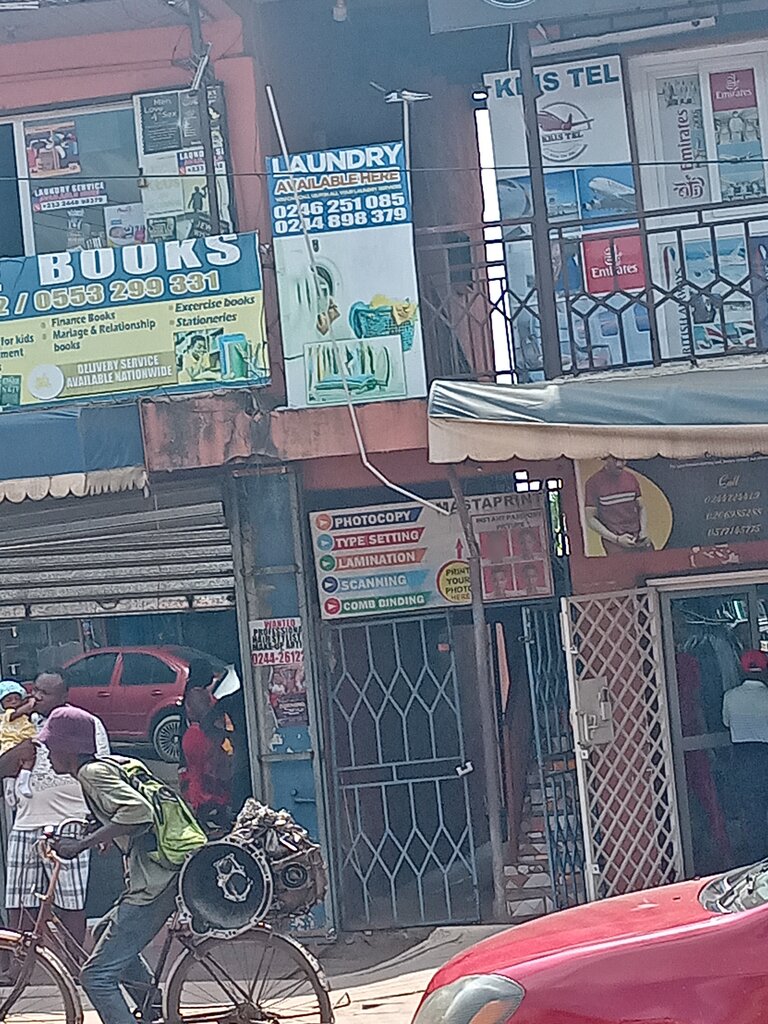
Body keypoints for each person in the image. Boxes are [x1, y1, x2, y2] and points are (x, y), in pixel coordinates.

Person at [43, 706, 181, 1024]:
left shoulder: (91, 774)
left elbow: (138, 813)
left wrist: (80, 845)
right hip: (164, 870)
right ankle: (153, 1010)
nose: (48, 756)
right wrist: (100, 827)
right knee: (105, 928)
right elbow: (127, 812)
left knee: (96, 978)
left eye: (51, 747)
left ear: (68, 749)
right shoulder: (109, 764)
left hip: (156, 879)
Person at [0, 673, 109, 965]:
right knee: (19, 901)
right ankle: (21, 968)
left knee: (70, 903)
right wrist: (18, 750)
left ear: (63, 695)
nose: (36, 698)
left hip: (70, 822)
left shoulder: (85, 722)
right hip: (25, 822)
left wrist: (99, 821)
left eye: (45, 693)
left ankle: (75, 964)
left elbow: (102, 772)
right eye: (34, 691)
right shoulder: (17, 725)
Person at [722, 650, 768, 862]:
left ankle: (755, 855)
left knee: (750, 807)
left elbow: (726, 723)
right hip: (764, 753)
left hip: (742, 756)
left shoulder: (730, 697)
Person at [180, 659, 234, 830]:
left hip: (199, 737)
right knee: (207, 774)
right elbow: (207, 719)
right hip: (201, 738)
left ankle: (206, 811)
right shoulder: (196, 694)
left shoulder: (195, 691)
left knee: (203, 775)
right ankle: (206, 811)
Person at [584, 456, 653, 555]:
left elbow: (641, 507)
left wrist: (643, 530)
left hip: (637, 537)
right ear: (606, 459)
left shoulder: (631, 478)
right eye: (615, 460)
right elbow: (590, 518)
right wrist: (616, 539)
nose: (619, 464)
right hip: (614, 542)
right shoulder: (593, 483)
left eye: (623, 460)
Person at [0, 681, 38, 803]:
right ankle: (20, 783)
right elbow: (17, 713)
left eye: (17, 698)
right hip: (11, 743)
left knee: (25, 762)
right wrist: (30, 703)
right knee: (26, 760)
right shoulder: (7, 714)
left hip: (23, 741)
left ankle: (16, 784)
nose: (13, 702)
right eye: (9, 700)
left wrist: (28, 698)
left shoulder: (25, 715)